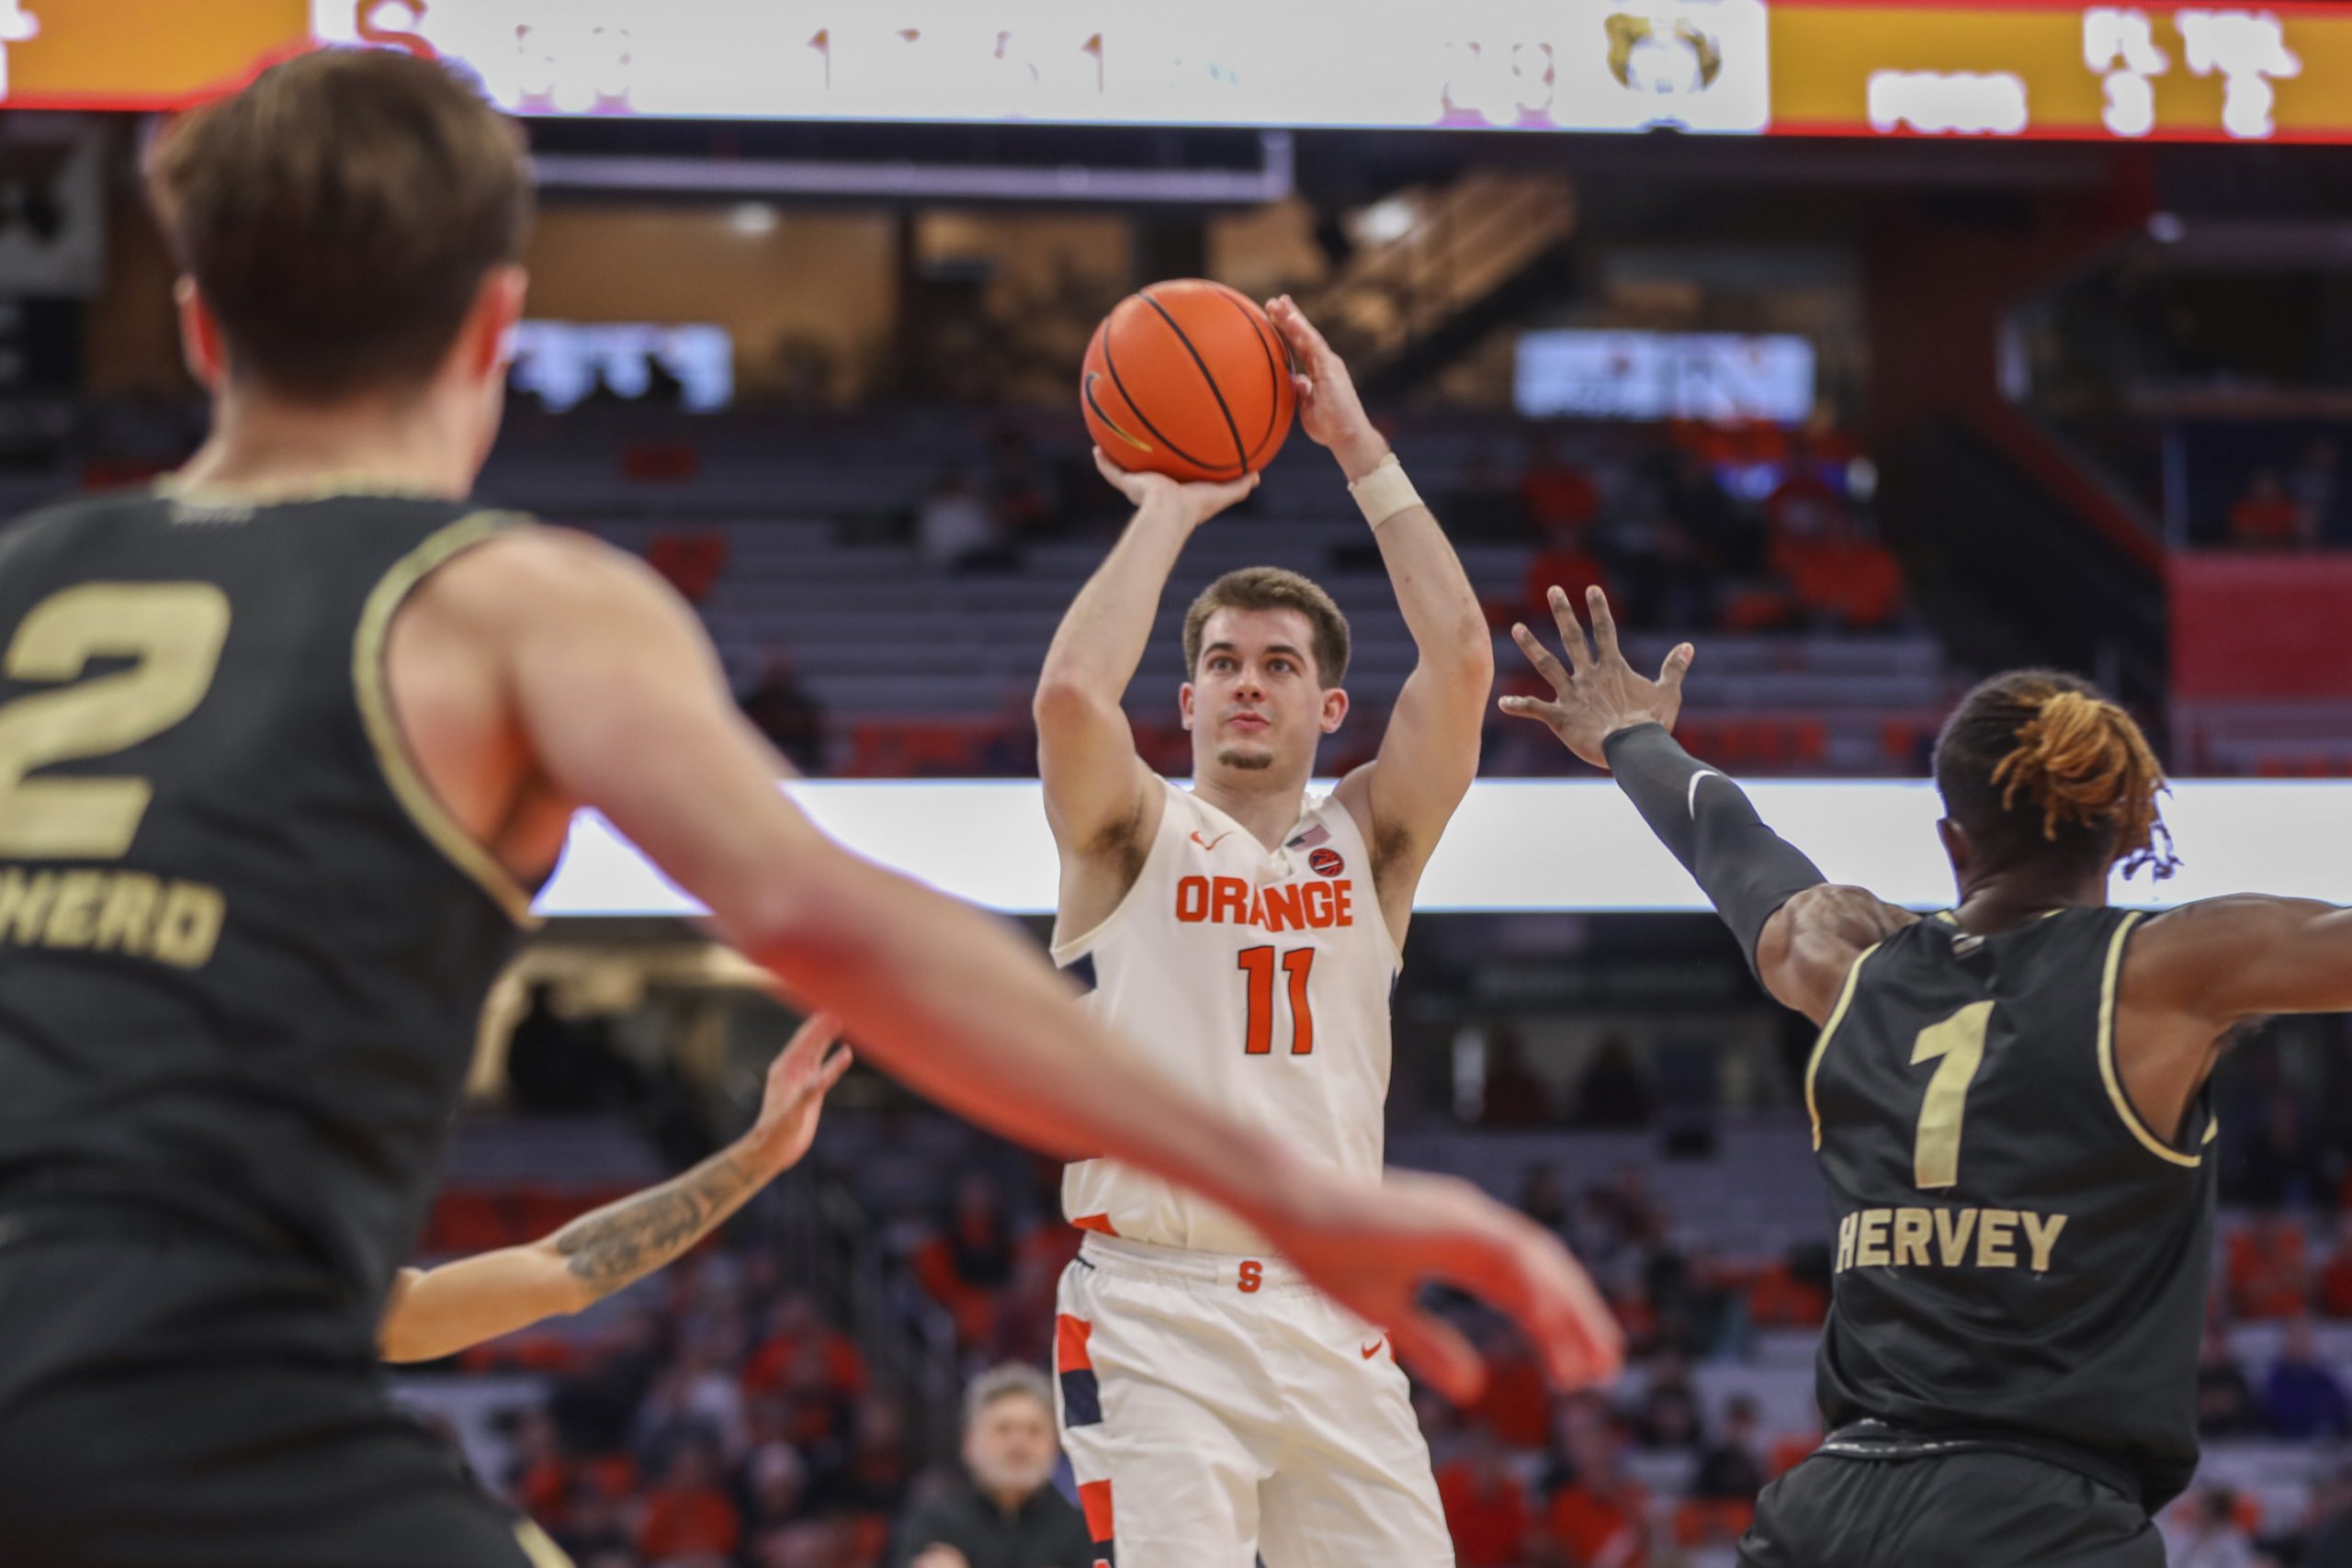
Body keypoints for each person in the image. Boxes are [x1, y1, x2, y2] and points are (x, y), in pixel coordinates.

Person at [0, 50, 1609, 1568]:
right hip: (228, 1389)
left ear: (200, 328)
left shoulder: (23, 588)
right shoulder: (505, 606)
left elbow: (1452, 664)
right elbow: (823, 916)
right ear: (496, 327)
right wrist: (1299, 1190)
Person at [1501, 579, 2352, 1566]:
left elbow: (1725, 841)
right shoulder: (2167, 970)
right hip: (2044, 1521)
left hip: (1828, 1511)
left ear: (1951, 840)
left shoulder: (1851, 969)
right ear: (2128, 832)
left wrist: (1633, 737)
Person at [1034, 293, 1619, 1566]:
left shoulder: (1369, 839)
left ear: (1327, 701)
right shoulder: (1129, 832)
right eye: (1228, 662)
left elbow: (1463, 659)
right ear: (1187, 700)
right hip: (1156, 1308)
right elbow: (1075, 694)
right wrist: (1170, 510)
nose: (1251, 680)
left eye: (1281, 663)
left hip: (1332, 1304)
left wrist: (1357, 443)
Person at [379, 1014, 846, 1364]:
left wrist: (758, 1157)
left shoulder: (356, 1307)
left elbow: (567, 1266)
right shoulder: (345, 1310)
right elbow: (566, 1269)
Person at [889, 1365, 1094, 1568]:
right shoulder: (934, 1523)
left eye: (1034, 1431)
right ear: (968, 1443)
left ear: (1055, 1445)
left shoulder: (1079, 1529)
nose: (1019, 1444)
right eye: (1003, 1429)